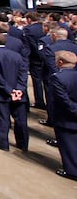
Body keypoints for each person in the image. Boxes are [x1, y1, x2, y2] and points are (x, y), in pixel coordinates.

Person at [0, 33, 29, 151]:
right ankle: (23, 144)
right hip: (19, 94)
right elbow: (23, 74)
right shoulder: (17, 56)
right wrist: (19, 89)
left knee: (2, 119)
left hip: (2, 93)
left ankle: (3, 143)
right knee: (21, 120)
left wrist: (9, 91)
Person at [50, 50, 77, 180]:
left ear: (60, 62)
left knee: (68, 145)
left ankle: (72, 170)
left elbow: (63, 99)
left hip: (65, 116)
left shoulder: (58, 78)